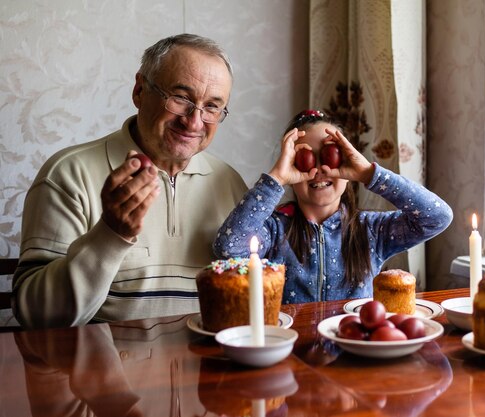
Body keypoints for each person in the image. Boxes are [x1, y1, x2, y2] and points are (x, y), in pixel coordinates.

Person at [13, 34, 248, 329]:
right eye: (181, 99)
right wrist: (110, 234)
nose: (194, 121)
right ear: (139, 91)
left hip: (209, 370)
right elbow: (36, 317)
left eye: (212, 106)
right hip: (102, 370)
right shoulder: (68, 173)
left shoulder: (230, 184)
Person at [213, 110, 453, 303]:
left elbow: (438, 217)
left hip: (353, 353)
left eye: (330, 156)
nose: (319, 170)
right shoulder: (275, 231)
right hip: (290, 352)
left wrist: (370, 174)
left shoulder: (370, 230)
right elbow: (228, 248)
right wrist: (276, 178)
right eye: (303, 159)